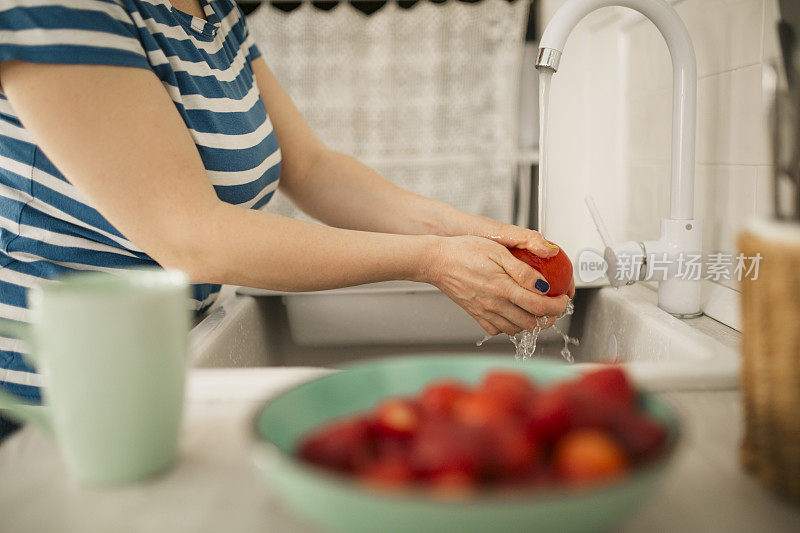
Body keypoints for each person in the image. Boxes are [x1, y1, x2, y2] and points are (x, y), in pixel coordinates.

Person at [0, 0, 573, 409]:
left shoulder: (214, 11)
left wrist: (468, 232)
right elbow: (188, 236)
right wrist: (432, 260)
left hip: (162, 371)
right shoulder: (59, 6)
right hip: (48, 399)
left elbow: (312, 168)